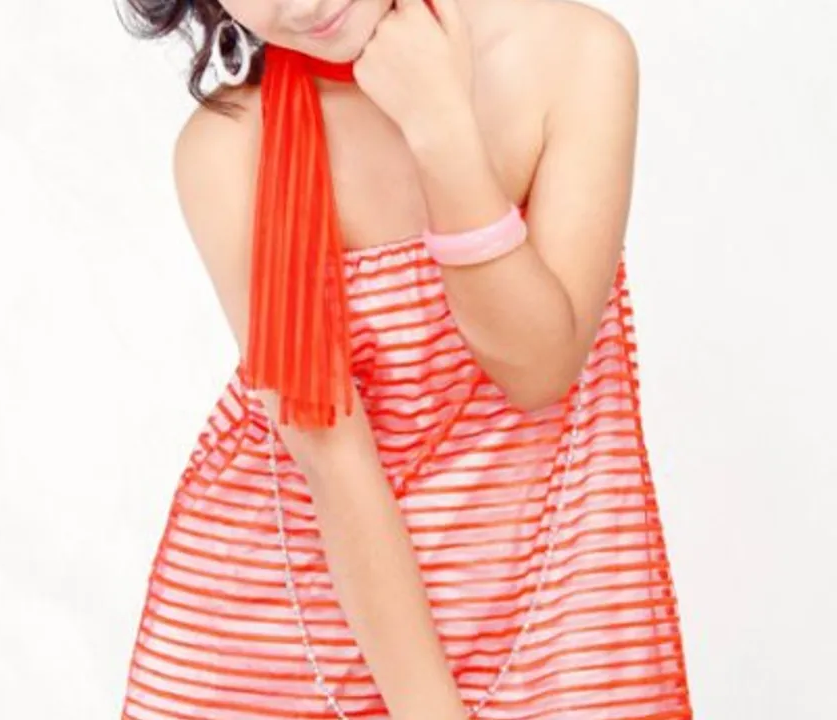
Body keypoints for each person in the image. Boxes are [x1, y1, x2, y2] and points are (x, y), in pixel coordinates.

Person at [117, 0, 693, 717]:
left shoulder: (575, 58)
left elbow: (538, 369)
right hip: (277, 650)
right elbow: (333, 460)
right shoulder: (228, 148)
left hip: (550, 625)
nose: (304, 4)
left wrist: (440, 129)